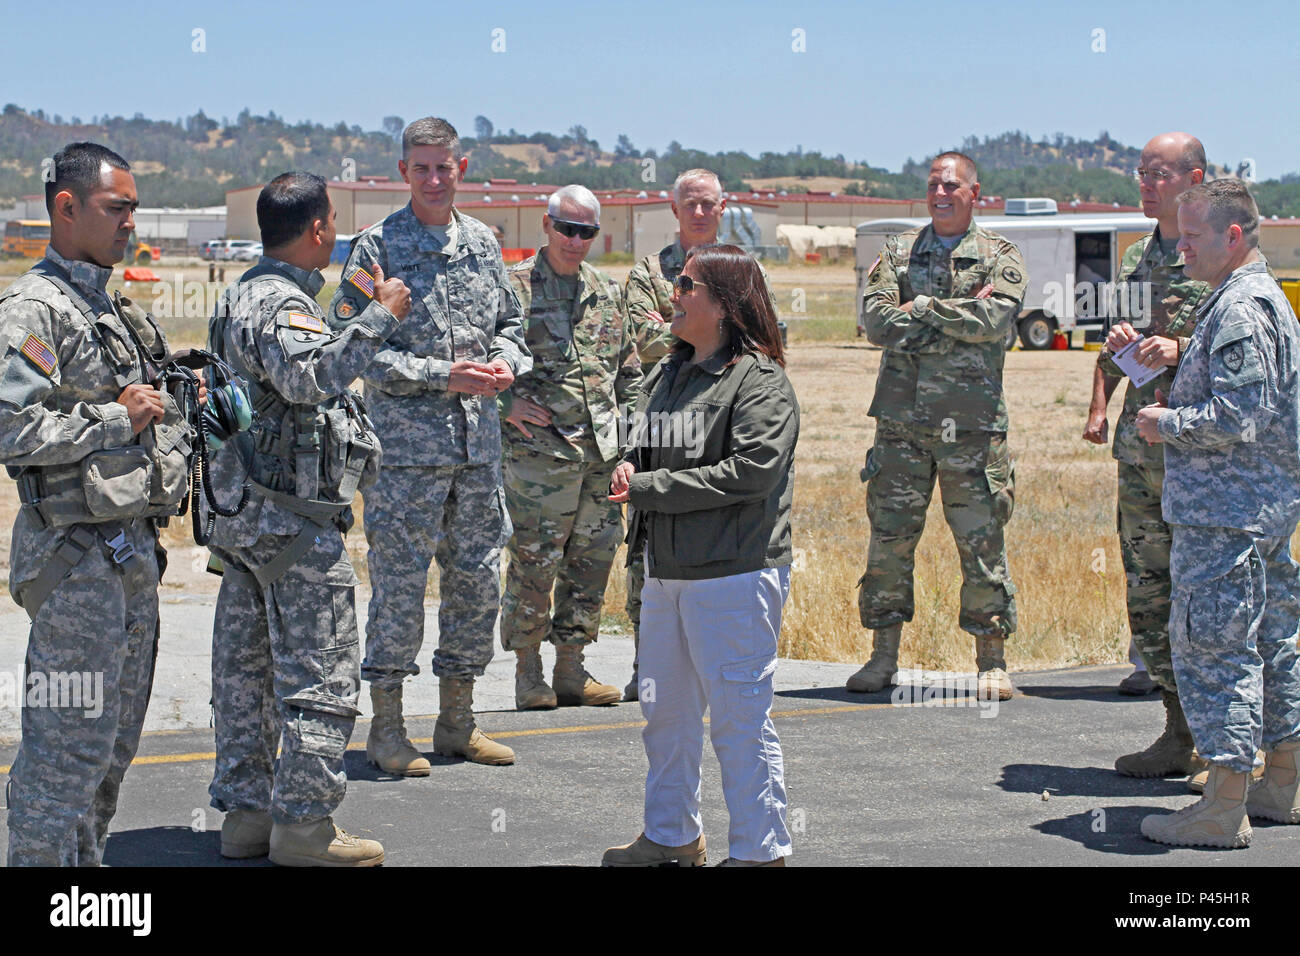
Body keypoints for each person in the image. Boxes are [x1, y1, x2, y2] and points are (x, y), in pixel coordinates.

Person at [206, 172, 411, 865]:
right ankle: (305, 829)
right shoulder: (282, 304)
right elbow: (307, 379)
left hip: (242, 521)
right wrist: (380, 316)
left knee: (246, 675)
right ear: (318, 228)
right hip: (290, 523)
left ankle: (247, 817)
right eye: (332, 223)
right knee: (322, 673)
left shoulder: (239, 295)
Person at [0, 143, 196, 865]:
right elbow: (10, 427)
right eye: (116, 211)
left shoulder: (107, 307)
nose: (129, 226)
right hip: (74, 563)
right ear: (66, 207)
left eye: (134, 212)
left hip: (128, 556)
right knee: (63, 756)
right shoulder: (34, 309)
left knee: (111, 752)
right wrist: (118, 419)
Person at [327, 117, 531, 769]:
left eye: (445, 167)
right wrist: (442, 375)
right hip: (406, 458)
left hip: (478, 455)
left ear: (461, 169)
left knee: (476, 586)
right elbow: (353, 352)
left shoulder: (483, 244)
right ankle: (387, 728)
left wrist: (505, 364)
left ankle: (457, 721)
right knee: (400, 589)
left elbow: (511, 323)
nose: (435, 179)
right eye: (422, 168)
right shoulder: (375, 247)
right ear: (403, 172)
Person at [603, 243, 798, 867]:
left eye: (687, 285)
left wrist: (649, 488)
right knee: (666, 717)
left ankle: (761, 852)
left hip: (733, 575)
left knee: (739, 723)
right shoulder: (670, 372)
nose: (674, 295)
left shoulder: (760, 381)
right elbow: (647, 441)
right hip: (665, 571)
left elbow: (752, 472)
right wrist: (632, 462)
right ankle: (671, 836)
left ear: (723, 305)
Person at [1133, 180, 1300, 848]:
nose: (1183, 251)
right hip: (1262, 509)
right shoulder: (1262, 298)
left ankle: (1222, 805)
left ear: (1235, 235)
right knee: (1273, 641)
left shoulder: (1237, 306)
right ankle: (1281, 779)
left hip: (1225, 514)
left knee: (1216, 648)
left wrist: (1164, 421)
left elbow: (1239, 416)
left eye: (1194, 237)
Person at [850, 152, 1027, 701]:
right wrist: (951, 316)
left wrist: (921, 307)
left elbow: (996, 318)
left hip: (971, 428)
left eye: (952, 185)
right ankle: (882, 658)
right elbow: (876, 320)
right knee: (890, 541)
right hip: (902, 426)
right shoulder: (899, 251)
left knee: (981, 543)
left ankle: (991, 661)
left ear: (976, 192)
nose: (941, 193)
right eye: (933, 185)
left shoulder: (1000, 255)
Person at [620, 168, 777, 700]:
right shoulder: (648, 270)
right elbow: (647, 338)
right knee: (656, 557)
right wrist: (696, 327)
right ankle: (654, 669)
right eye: (691, 203)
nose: (700, 212)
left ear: (723, 207)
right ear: (675, 208)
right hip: (664, 417)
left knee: (714, 544)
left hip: (718, 417)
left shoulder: (742, 269)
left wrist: (692, 326)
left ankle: (711, 676)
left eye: (709, 204)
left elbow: (760, 334)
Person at [1085, 135, 1214, 782]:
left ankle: (1227, 749)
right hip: (1140, 455)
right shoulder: (1137, 257)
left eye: (1156, 173)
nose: (1144, 183)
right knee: (1150, 592)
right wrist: (1105, 389)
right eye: (1139, 173)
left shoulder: (1220, 252)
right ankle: (1177, 730)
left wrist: (1179, 346)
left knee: (1207, 596)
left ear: (1193, 177)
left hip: (1201, 456)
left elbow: (1247, 344)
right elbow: (1116, 351)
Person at [500, 185, 641, 709]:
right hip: (539, 458)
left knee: (590, 564)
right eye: (567, 228)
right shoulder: (511, 289)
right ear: (546, 224)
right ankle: (528, 672)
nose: (576, 240)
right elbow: (474, 358)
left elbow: (629, 374)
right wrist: (504, 405)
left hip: (600, 460)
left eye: (587, 232)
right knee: (533, 566)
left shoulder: (605, 290)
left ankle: (571, 668)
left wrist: (631, 446)